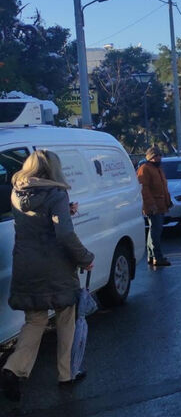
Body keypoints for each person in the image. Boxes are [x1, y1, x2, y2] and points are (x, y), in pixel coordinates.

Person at [0, 150, 94, 401]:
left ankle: (13, 368)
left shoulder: (17, 193)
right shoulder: (56, 193)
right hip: (55, 266)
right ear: (54, 169)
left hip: (26, 265)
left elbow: (36, 221)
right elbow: (63, 235)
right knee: (66, 316)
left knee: (35, 320)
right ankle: (67, 373)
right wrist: (85, 257)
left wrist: (66, 212)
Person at [137, 146, 172, 267]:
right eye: (157, 156)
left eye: (160, 155)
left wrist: (168, 201)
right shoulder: (145, 169)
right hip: (153, 206)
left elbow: (163, 187)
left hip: (160, 205)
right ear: (151, 157)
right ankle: (158, 257)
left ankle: (152, 257)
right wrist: (151, 205)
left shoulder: (158, 169)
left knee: (154, 231)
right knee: (155, 232)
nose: (160, 158)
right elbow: (144, 189)